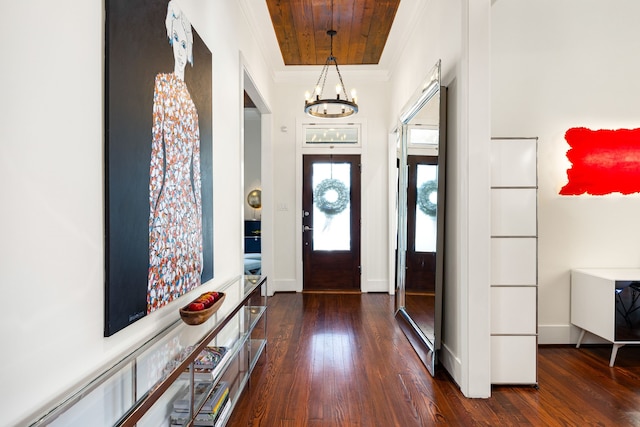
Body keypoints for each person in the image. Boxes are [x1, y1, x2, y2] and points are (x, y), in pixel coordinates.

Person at [147, 0, 203, 313]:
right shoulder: (163, 86)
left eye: (185, 42)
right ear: (170, 40)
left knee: (188, 278)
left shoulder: (193, 104)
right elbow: (158, 154)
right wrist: (156, 207)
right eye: (176, 41)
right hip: (167, 202)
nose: (180, 49)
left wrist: (196, 214)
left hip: (188, 205)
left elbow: (197, 171)